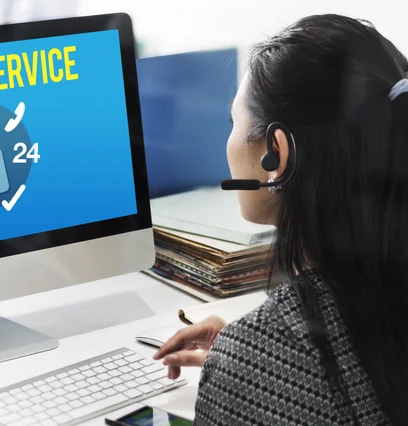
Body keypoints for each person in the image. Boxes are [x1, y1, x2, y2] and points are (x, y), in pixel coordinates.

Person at [154, 14, 408, 426]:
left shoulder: (256, 361)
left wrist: (255, 358)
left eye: (233, 123)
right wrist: (261, 347)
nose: (229, 141)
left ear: (276, 153)